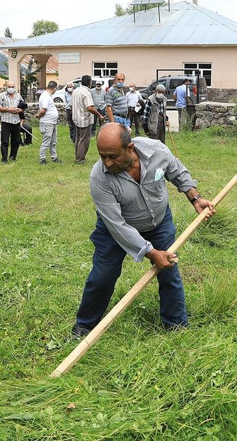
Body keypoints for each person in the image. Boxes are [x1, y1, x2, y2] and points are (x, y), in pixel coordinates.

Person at [71, 123, 216, 337]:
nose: (107, 162)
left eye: (112, 156)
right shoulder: (99, 178)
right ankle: (84, 326)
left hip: (159, 223)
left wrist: (195, 198)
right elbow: (117, 226)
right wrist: (150, 252)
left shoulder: (156, 150)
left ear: (130, 148)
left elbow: (177, 171)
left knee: (169, 272)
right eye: (102, 156)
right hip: (116, 230)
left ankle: (175, 325)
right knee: (102, 276)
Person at [72, 75, 104, 164]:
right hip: (84, 119)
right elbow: (89, 107)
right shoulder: (86, 93)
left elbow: (71, 105)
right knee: (84, 140)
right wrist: (99, 115)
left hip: (76, 118)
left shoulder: (76, 91)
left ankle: (78, 156)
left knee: (78, 139)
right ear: (90, 83)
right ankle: (80, 159)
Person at [0, 81, 26, 163]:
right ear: (6, 87)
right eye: (9, 86)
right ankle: (4, 158)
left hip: (16, 121)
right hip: (6, 121)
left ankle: (13, 156)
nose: (11, 88)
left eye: (12, 86)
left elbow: (23, 105)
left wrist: (20, 110)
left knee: (15, 141)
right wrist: (9, 109)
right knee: (5, 141)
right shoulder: (2, 95)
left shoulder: (18, 95)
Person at [37, 81, 62, 164]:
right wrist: (38, 116)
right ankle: (42, 159)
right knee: (46, 141)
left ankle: (54, 157)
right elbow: (43, 110)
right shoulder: (46, 97)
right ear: (54, 88)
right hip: (47, 122)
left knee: (53, 141)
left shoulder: (48, 96)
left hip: (52, 122)